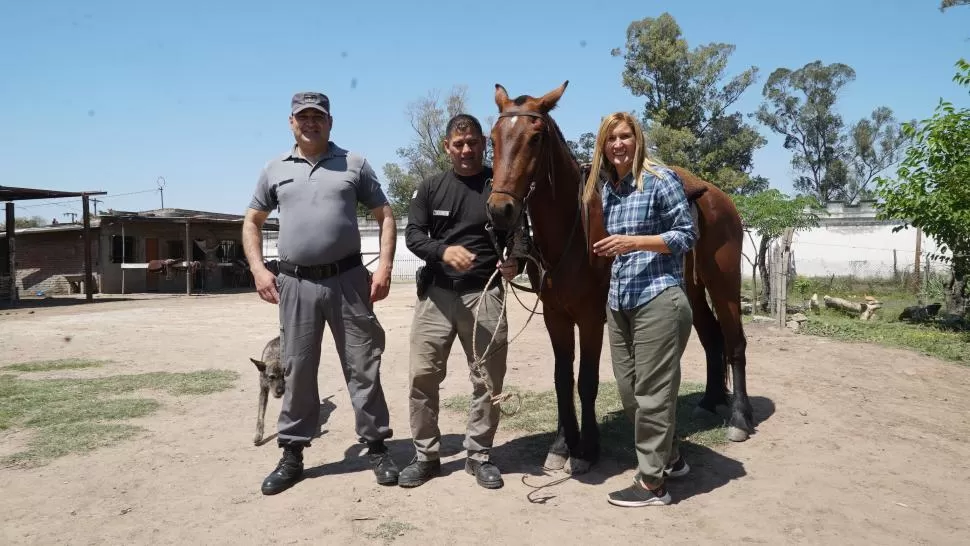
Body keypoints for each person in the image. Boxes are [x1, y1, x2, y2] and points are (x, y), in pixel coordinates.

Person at [242, 91, 400, 495]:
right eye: (302, 118)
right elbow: (252, 221)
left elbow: (385, 215)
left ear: (330, 122)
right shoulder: (274, 169)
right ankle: (292, 453)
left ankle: (378, 446)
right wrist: (259, 269)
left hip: (349, 281)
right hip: (295, 284)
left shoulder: (354, 164)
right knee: (295, 370)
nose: (310, 123)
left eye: (318, 117)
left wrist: (383, 267)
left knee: (363, 364)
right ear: (291, 122)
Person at [398, 113, 526, 490]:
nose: (466, 150)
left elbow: (519, 230)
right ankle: (426, 457)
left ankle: (479, 455)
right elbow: (413, 235)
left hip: (485, 294)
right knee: (422, 378)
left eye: (472, 143)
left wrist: (516, 259)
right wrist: (443, 251)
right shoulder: (430, 188)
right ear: (447, 147)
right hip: (436, 295)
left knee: (488, 380)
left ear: (484, 143)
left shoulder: (498, 185)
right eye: (458, 144)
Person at [584, 112, 696, 507]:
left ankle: (652, 485)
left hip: (658, 297)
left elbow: (686, 235)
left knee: (652, 393)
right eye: (610, 138)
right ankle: (672, 458)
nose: (618, 144)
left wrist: (634, 243)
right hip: (620, 301)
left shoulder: (660, 180)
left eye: (625, 136)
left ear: (638, 139)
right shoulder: (607, 190)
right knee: (630, 393)